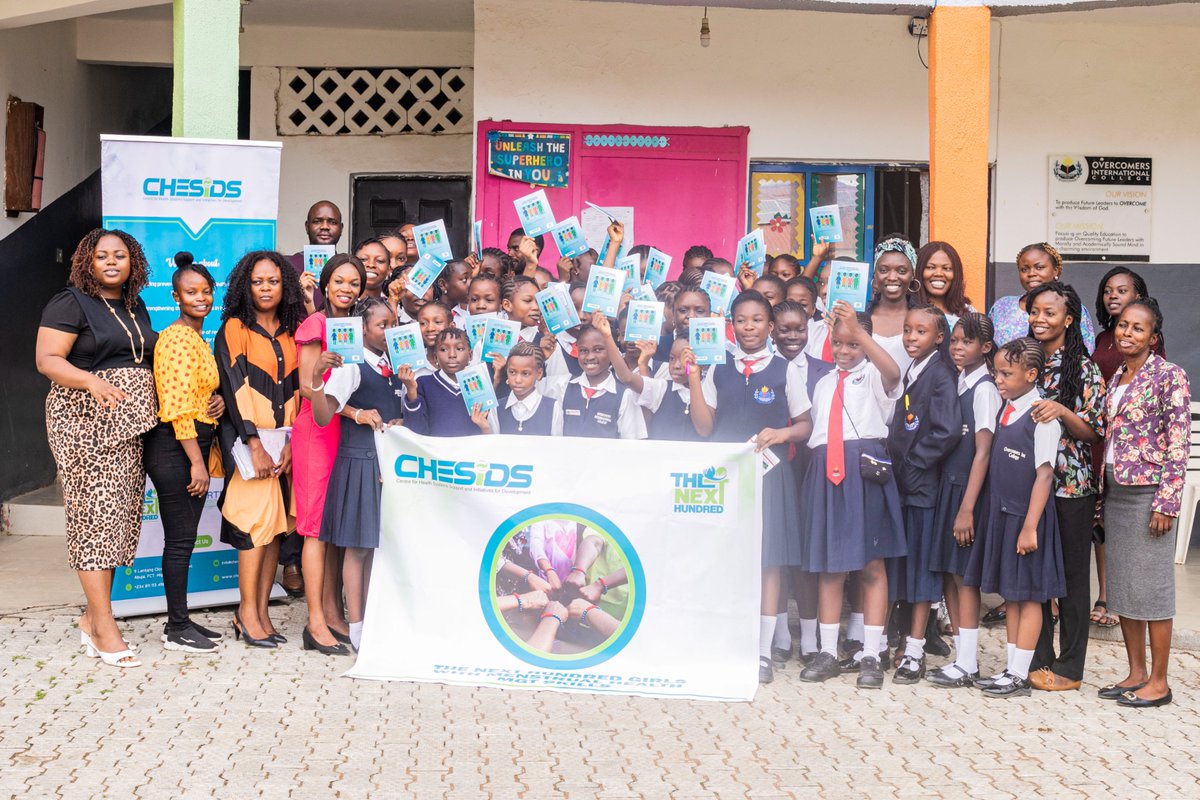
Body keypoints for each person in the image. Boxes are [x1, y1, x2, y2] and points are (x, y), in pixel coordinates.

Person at [36, 229, 160, 668]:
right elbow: (48, 359)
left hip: (127, 427)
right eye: (102, 255)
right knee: (93, 521)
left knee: (118, 523)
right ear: (87, 262)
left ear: (133, 262)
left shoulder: (134, 305)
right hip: (83, 424)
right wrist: (90, 381)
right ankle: (105, 626)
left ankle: (92, 618)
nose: (111, 262)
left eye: (119, 255)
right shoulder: (70, 302)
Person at [687, 291, 814, 683]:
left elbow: (805, 425)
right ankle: (726, 643)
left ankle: (761, 652)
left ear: (770, 326)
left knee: (768, 560)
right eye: (741, 320)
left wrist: (781, 433)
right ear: (732, 325)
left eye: (757, 320)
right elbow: (703, 428)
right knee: (726, 557)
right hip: (727, 479)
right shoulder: (718, 368)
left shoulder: (784, 370)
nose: (749, 327)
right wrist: (693, 376)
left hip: (770, 476)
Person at [797, 304, 904, 690]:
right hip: (826, 472)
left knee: (872, 565)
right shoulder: (824, 382)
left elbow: (894, 373)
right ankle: (827, 651)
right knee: (830, 565)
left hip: (864, 473)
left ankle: (871, 654)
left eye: (853, 343)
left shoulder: (874, 375)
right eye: (838, 343)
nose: (844, 350)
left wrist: (860, 333)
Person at [1098, 299, 1189, 708]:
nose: (1127, 333)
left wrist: (1166, 502)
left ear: (1153, 337)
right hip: (1115, 491)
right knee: (1123, 587)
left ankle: (1160, 682)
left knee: (1152, 589)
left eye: (1138, 328)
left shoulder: (1170, 376)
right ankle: (1136, 673)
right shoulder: (1117, 376)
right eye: (1123, 325)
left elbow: (1178, 443)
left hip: (1149, 494)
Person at [964, 338, 1065, 698]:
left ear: (1031, 375)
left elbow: (1044, 475)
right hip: (1004, 515)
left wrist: (1030, 527)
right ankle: (1011, 669)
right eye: (996, 372)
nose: (999, 379)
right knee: (1012, 593)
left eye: (1006, 373)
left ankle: (1021, 675)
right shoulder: (1006, 409)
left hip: (1026, 520)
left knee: (1030, 597)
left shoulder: (1041, 418)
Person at [214, 251, 305, 648]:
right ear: (245, 287)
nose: (266, 288)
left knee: (273, 533)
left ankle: (262, 614)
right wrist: (254, 443)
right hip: (250, 443)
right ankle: (246, 614)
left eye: (273, 281)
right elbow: (234, 388)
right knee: (253, 529)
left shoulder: (292, 331)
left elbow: (299, 391)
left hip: (283, 444)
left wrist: (291, 443)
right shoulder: (235, 329)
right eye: (257, 282)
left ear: (285, 285)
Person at [1024, 281, 1106, 692]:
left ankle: (1070, 668)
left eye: (1049, 312)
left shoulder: (1084, 369)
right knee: (1035, 574)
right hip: (1027, 484)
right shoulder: (1023, 361)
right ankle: (1037, 659)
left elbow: (1093, 432)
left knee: (1073, 579)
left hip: (1072, 487)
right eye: (1035, 311)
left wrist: (1060, 410)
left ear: (1068, 320)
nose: (1039, 319)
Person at [144, 252, 226, 652]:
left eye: (206, 291)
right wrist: (196, 462)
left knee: (185, 538)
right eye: (191, 292)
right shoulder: (176, 337)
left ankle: (181, 619)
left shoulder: (195, 337)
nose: (201, 298)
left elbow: (197, 393)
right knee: (179, 541)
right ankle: (176, 628)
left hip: (191, 443)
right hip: (177, 448)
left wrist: (218, 401)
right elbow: (176, 406)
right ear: (175, 296)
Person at [312, 297, 403, 653]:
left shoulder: (393, 365)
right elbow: (324, 415)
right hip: (361, 460)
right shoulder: (351, 365)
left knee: (376, 546)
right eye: (382, 325)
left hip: (385, 462)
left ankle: (373, 618)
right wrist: (318, 380)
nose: (390, 331)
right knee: (359, 547)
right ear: (362, 329)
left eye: (393, 324)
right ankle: (357, 626)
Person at [292, 254, 367, 653]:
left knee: (334, 528)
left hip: (345, 436)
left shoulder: (355, 327)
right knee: (315, 529)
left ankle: (334, 614)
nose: (346, 289)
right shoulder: (315, 324)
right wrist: (351, 410)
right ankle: (315, 622)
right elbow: (307, 386)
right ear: (325, 284)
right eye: (339, 280)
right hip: (317, 432)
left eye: (353, 283)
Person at [887, 305, 962, 685]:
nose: (911, 337)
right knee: (902, 569)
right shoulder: (914, 370)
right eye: (907, 330)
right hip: (904, 485)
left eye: (920, 331)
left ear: (939, 337)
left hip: (922, 488)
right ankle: (900, 642)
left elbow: (946, 430)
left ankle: (915, 650)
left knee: (920, 572)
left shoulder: (941, 374)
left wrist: (915, 463)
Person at [927, 313, 1001, 688]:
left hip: (967, 492)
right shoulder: (957, 380)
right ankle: (962, 657)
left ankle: (969, 662)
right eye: (954, 340)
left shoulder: (985, 389)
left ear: (985, 347)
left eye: (966, 341)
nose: (957, 347)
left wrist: (967, 508)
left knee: (964, 577)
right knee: (949, 575)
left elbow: (983, 452)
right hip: (948, 485)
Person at [1089, 266, 1163, 629]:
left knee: (1133, 536)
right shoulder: (1103, 338)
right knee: (1103, 523)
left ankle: (1126, 601)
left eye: (1121, 290)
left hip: (1135, 453)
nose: (1112, 296)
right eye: (1108, 290)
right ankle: (1107, 594)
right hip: (1103, 441)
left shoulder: (1152, 345)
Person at [988, 243, 1096, 350]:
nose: (1031, 273)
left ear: (1055, 271)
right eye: (1024, 269)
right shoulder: (1002, 306)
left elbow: (1084, 349)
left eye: (1039, 267)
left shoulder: (1070, 307)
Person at [399, 328, 478, 436]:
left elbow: (490, 430)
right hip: (434, 447)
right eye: (444, 349)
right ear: (435, 357)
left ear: (470, 355)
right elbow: (416, 432)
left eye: (459, 349)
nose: (452, 355)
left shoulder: (478, 384)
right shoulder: (423, 384)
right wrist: (411, 391)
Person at [867, 235, 919, 376]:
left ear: (912, 274)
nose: (892, 277)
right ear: (875, 274)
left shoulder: (929, 319)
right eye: (884, 270)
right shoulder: (860, 318)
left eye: (901, 271)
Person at [288, 200, 344, 315]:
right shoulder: (289, 265)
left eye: (332, 222)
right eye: (317, 221)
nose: (325, 227)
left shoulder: (348, 266)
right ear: (307, 227)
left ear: (341, 228)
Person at [915, 241, 974, 330]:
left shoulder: (969, 312)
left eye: (946, 268)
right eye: (931, 267)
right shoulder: (908, 309)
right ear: (918, 271)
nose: (939, 273)